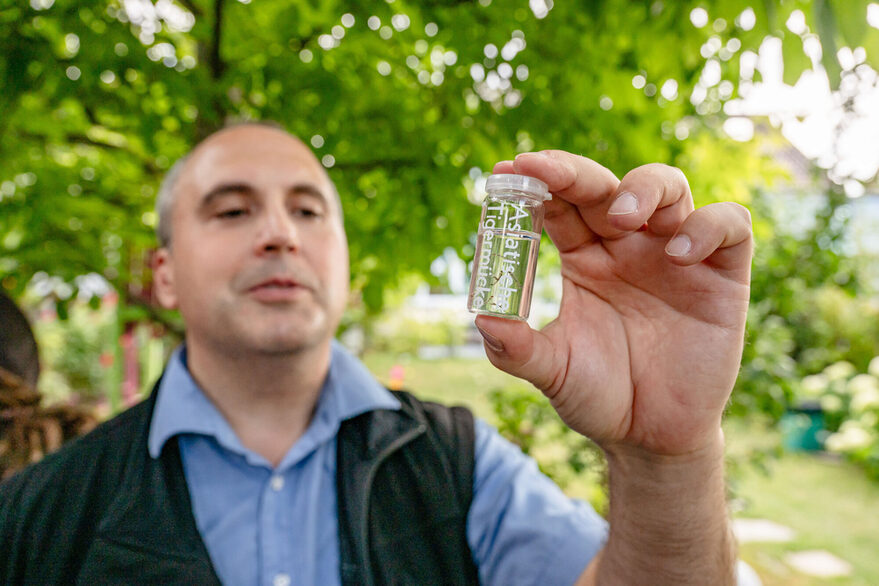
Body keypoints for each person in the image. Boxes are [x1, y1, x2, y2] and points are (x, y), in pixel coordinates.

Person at [0, 123, 752, 585]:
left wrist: (668, 458)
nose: (280, 235)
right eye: (231, 209)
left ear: (346, 269)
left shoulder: (461, 468)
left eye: (307, 210)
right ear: (161, 275)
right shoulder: (34, 517)